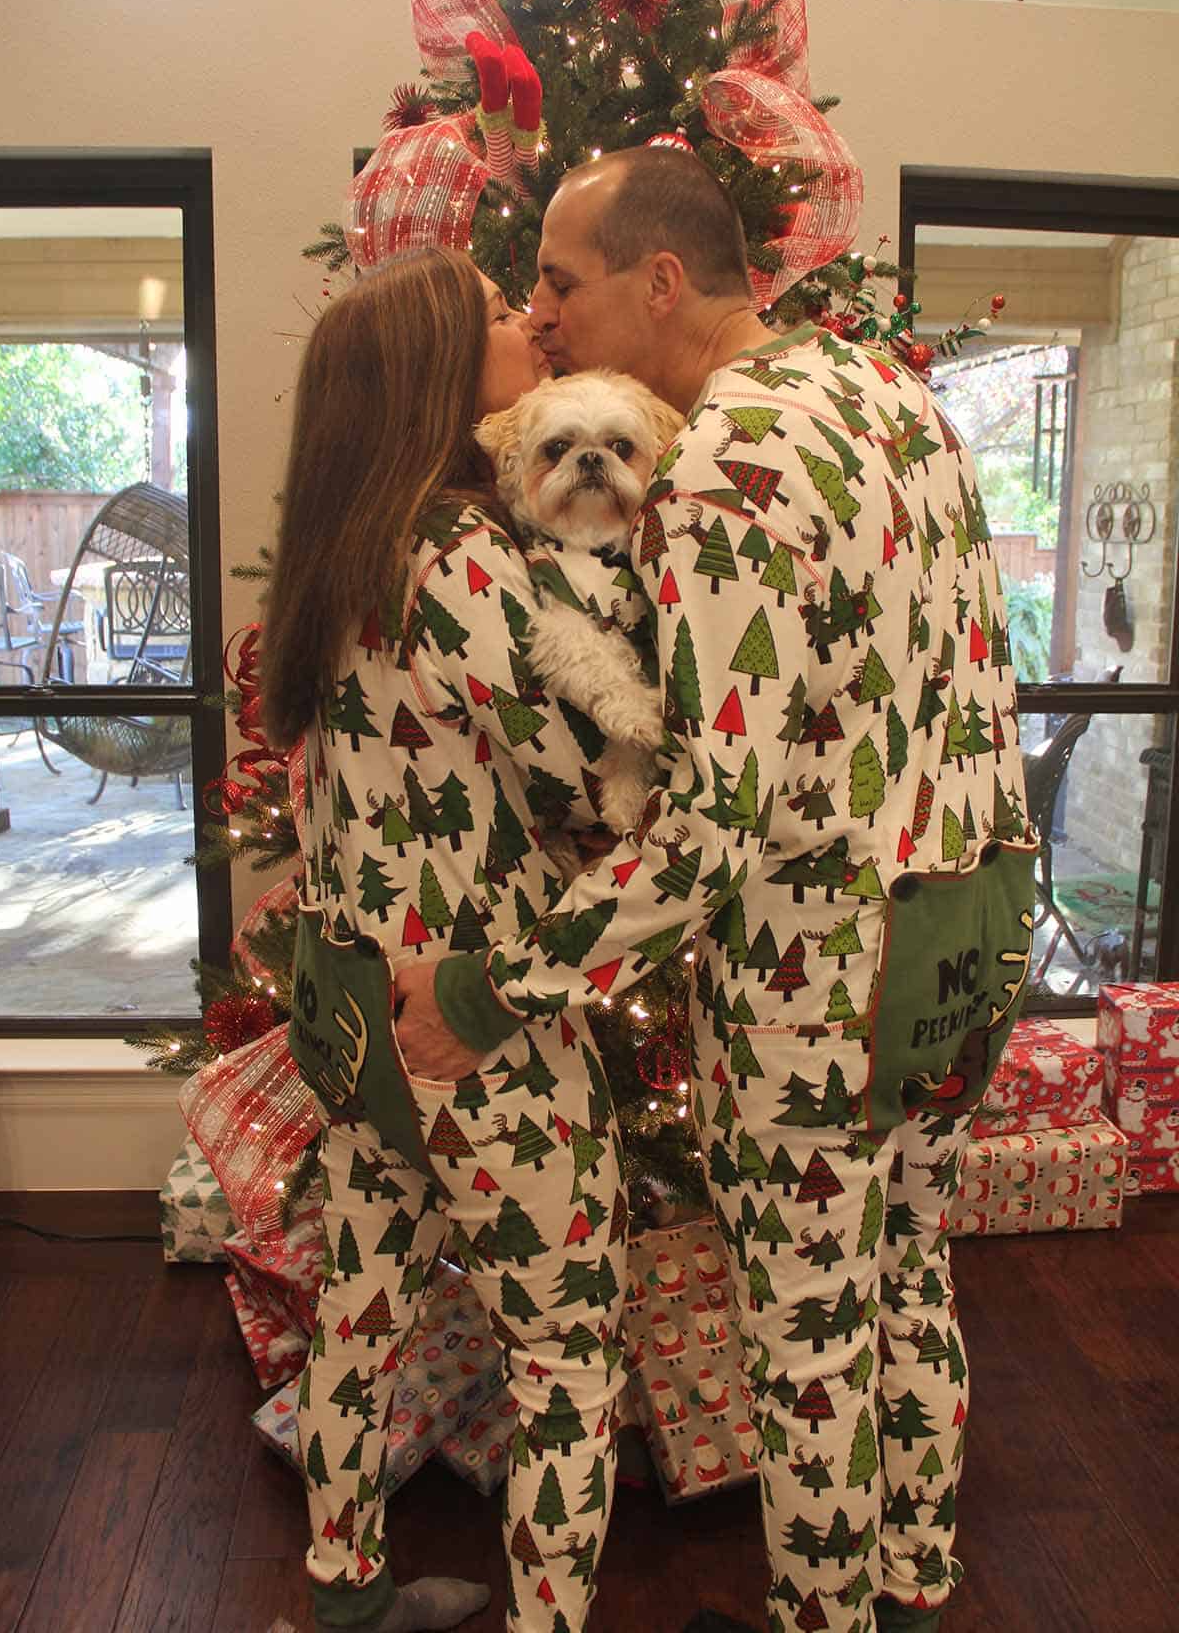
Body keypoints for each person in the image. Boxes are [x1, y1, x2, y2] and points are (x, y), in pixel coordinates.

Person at [393, 148, 1038, 1633]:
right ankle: (915, 1585)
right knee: (907, 1278)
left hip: (823, 978)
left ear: (660, 281)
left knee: (809, 1342)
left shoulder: (729, 456)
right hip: (965, 928)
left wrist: (497, 989)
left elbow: (711, 820)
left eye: (559, 282)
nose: (540, 317)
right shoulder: (891, 394)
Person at [262, 247, 631, 1633]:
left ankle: (344, 1589)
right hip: (476, 1019)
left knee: (362, 1302)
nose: (530, 323)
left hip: (349, 1003)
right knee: (567, 1363)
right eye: (496, 316)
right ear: (434, 372)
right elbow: (566, 766)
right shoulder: (465, 549)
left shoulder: (337, 551)